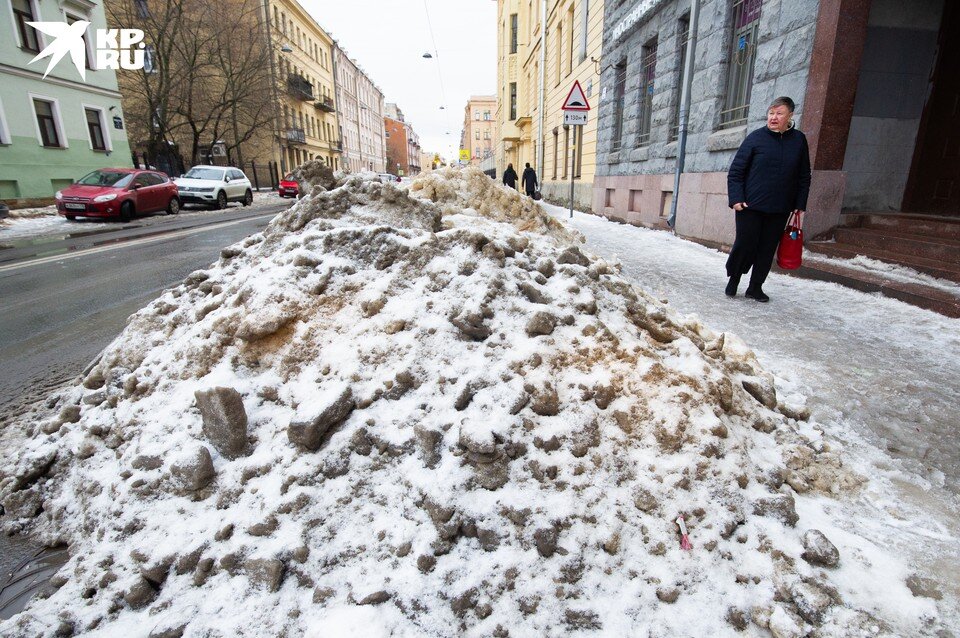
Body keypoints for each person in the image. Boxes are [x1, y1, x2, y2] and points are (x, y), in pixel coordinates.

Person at [726, 96, 811, 302]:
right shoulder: (755, 138)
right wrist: (736, 198)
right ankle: (734, 279)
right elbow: (736, 171)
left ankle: (755, 287)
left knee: (767, 248)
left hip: (780, 208)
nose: (773, 117)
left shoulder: (798, 140)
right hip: (750, 206)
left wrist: (800, 204)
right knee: (745, 244)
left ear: (790, 115)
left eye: (779, 113)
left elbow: (804, 175)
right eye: (771, 113)